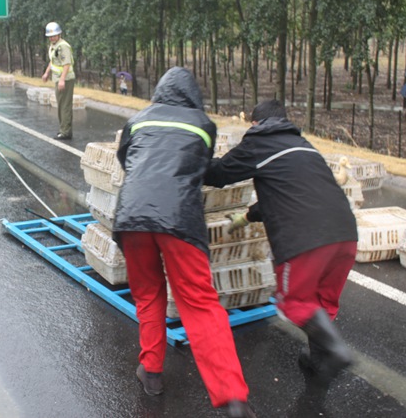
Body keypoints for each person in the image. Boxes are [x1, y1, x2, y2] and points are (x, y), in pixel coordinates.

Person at [113, 67, 256, 418]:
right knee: (199, 304)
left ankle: (152, 372)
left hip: (132, 216)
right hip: (179, 219)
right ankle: (233, 398)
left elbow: (124, 160)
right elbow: (202, 168)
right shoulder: (203, 125)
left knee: (148, 294)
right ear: (193, 94)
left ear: (160, 91)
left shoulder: (138, 120)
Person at [204, 99, 358, 384]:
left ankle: (336, 349)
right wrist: (247, 216)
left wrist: (188, 158)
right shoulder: (305, 149)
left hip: (305, 241)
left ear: (255, 124)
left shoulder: (259, 143)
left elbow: (218, 174)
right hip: (346, 236)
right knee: (321, 302)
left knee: (293, 300)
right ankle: (317, 360)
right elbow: (289, 194)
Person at [41, 22, 75, 140]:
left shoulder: (63, 46)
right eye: (50, 36)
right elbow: (53, 61)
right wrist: (46, 73)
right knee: (61, 105)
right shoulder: (53, 45)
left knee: (65, 105)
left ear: (59, 34)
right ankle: (64, 129)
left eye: (54, 35)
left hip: (66, 79)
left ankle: (65, 132)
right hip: (58, 79)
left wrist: (62, 80)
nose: (52, 38)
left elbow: (66, 64)